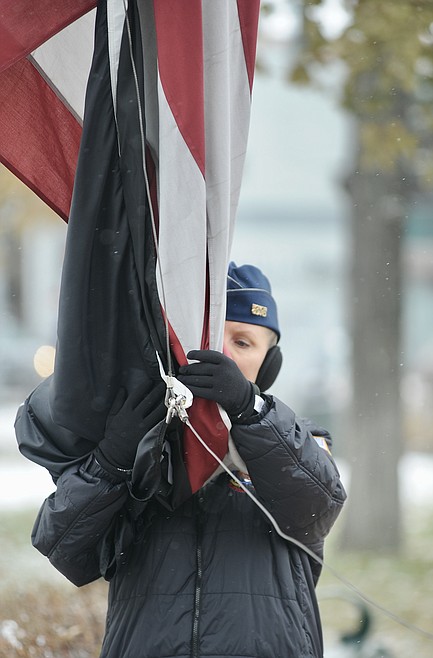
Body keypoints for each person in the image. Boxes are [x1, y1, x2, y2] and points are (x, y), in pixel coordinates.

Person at [22, 262, 346, 658]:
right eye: (209, 336)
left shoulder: (300, 438)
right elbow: (67, 550)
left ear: (270, 364)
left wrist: (250, 409)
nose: (221, 354)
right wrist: (112, 461)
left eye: (243, 342)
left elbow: (317, 505)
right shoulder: (146, 443)